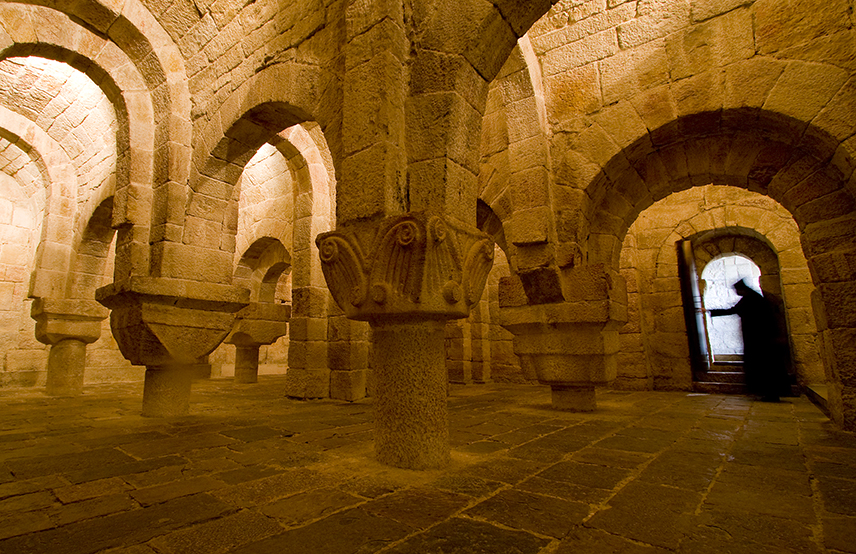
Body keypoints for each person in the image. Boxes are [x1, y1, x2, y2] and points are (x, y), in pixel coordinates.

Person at [708, 279, 790, 401]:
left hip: (758, 340)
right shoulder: (755, 298)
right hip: (763, 339)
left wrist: (710, 311)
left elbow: (733, 310)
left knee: (763, 367)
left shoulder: (749, 299)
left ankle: (769, 393)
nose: (736, 292)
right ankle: (770, 393)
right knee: (768, 367)